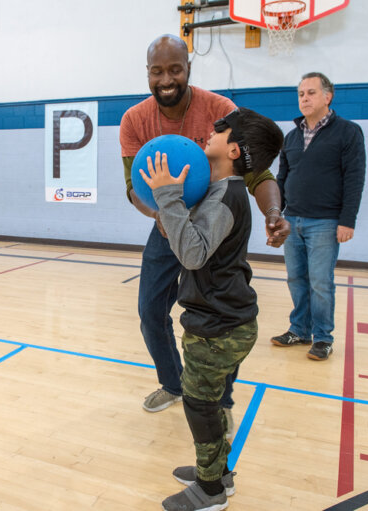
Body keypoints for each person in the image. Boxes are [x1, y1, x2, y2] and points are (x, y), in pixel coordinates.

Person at [119, 34, 290, 419]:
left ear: (188, 69)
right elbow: (133, 188)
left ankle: (220, 400)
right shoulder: (134, 120)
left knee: (218, 318)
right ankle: (173, 383)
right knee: (150, 311)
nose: (166, 79)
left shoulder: (220, 110)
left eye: (174, 69)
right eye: (157, 71)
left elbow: (256, 172)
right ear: (147, 74)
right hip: (166, 223)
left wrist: (273, 212)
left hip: (214, 225)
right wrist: (160, 215)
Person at [140, 107, 284, 511]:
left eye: (220, 130)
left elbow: (191, 255)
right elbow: (189, 237)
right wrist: (172, 207)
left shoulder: (227, 197)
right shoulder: (221, 192)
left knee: (199, 403)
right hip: (227, 318)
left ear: (234, 149)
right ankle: (219, 472)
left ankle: (209, 491)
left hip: (218, 326)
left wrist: (168, 196)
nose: (211, 131)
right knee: (211, 399)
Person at [271, 72, 366, 361]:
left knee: (321, 282)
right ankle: (300, 329)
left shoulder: (348, 132)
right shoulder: (291, 137)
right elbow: (283, 177)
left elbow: (354, 178)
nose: (304, 98)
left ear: (328, 96)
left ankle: (323, 337)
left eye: (311, 93)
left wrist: (347, 220)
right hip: (292, 220)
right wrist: (276, 216)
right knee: (296, 279)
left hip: (325, 222)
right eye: (301, 94)